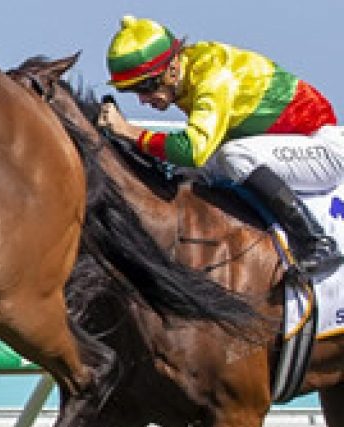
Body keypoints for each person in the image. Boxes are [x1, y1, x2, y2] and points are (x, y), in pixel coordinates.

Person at [98, 15, 344, 277]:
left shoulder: (213, 76)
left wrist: (128, 132)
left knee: (233, 156)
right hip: (290, 145)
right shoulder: (187, 75)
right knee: (189, 173)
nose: (144, 99)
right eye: (133, 90)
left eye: (146, 87)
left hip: (324, 149)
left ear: (172, 68)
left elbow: (192, 150)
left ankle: (316, 243)